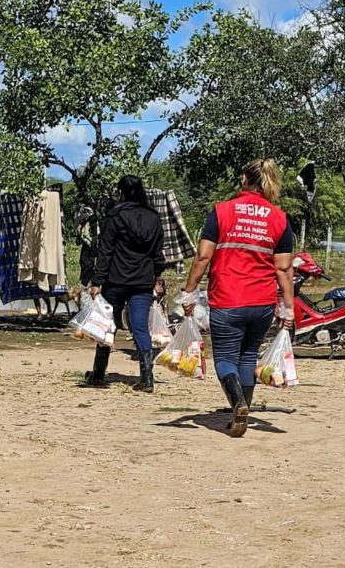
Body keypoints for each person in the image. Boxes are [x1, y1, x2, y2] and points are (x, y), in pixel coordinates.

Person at [182, 159, 295, 437]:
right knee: (247, 357)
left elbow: (203, 256)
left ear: (244, 179)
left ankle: (238, 405)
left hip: (228, 299)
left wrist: (190, 291)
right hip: (262, 303)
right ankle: (241, 412)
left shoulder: (222, 212)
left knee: (225, 359)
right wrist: (288, 307)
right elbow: (283, 268)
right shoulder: (279, 218)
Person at [83, 175, 165, 392]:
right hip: (142, 282)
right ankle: (147, 378)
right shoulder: (154, 218)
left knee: (107, 326)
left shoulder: (115, 216)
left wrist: (97, 281)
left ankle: (98, 374)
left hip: (116, 280)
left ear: (122, 192)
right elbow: (158, 253)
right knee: (139, 327)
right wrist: (157, 277)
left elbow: (106, 251)